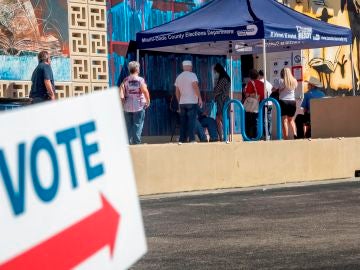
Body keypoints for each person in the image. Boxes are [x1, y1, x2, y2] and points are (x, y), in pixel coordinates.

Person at [119, 61, 150, 145]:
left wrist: (123, 102)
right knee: (138, 125)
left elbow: (121, 93)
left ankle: (127, 144)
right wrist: (148, 101)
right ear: (137, 69)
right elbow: (145, 91)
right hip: (139, 106)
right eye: (138, 68)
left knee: (128, 126)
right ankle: (137, 143)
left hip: (127, 106)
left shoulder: (125, 80)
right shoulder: (140, 80)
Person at [175, 60, 203, 143]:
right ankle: (192, 139)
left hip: (182, 102)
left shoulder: (179, 77)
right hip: (191, 102)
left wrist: (179, 102)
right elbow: (195, 86)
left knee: (183, 122)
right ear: (189, 67)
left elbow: (177, 91)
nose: (191, 68)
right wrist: (200, 98)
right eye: (191, 67)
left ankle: (182, 140)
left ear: (183, 67)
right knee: (192, 121)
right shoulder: (192, 75)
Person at [272, 68, 298, 140]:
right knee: (291, 120)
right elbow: (294, 89)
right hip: (292, 101)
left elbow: (273, 89)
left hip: (283, 101)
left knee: (284, 120)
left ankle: (286, 137)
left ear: (282, 73)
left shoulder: (280, 81)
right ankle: (295, 134)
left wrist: (279, 89)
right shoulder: (294, 81)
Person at [243, 69, 265, 139]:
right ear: (257, 75)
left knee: (249, 121)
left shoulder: (250, 83)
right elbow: (263, 95)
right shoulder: (262, 84)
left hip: (251, 105)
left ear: (250, 76)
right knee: (258, 121)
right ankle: (258, 136)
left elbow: (246, 95)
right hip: (260, 104)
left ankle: (249, 136)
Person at [213, 63, 230, 141]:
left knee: (221, 118)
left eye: (215, 71)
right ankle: (222, 137)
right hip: (223, 100)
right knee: (218, 119)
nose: (215, 73)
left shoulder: (223, 78)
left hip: (222, 100)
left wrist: (214, 93)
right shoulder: (225, 77)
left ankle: (225, 137)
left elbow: (217, 90)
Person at [259, 70, 273, 139]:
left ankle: (264, 135)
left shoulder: (260, 83)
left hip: (263, 103)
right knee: (269, 120)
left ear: (259, 75)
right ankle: (269, 135)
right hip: (270, 103)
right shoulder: (269, 84)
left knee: (263, 120)